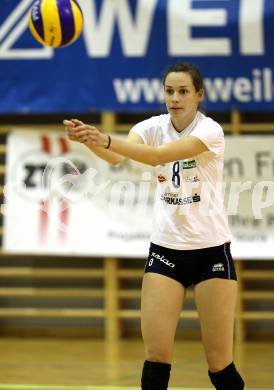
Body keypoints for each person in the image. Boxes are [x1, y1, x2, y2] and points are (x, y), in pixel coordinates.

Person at [63, 62, 245, 390]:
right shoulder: (152, 126)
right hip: (165, 252)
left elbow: (157, 156)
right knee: (156, 359)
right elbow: (118, 158)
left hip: (211, 253)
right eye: (169, 91)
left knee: (220, 367)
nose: (174, 98)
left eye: (183, 91)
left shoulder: (210, 131)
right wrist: (90, 140)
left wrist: (105, 138)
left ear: (199, 95)